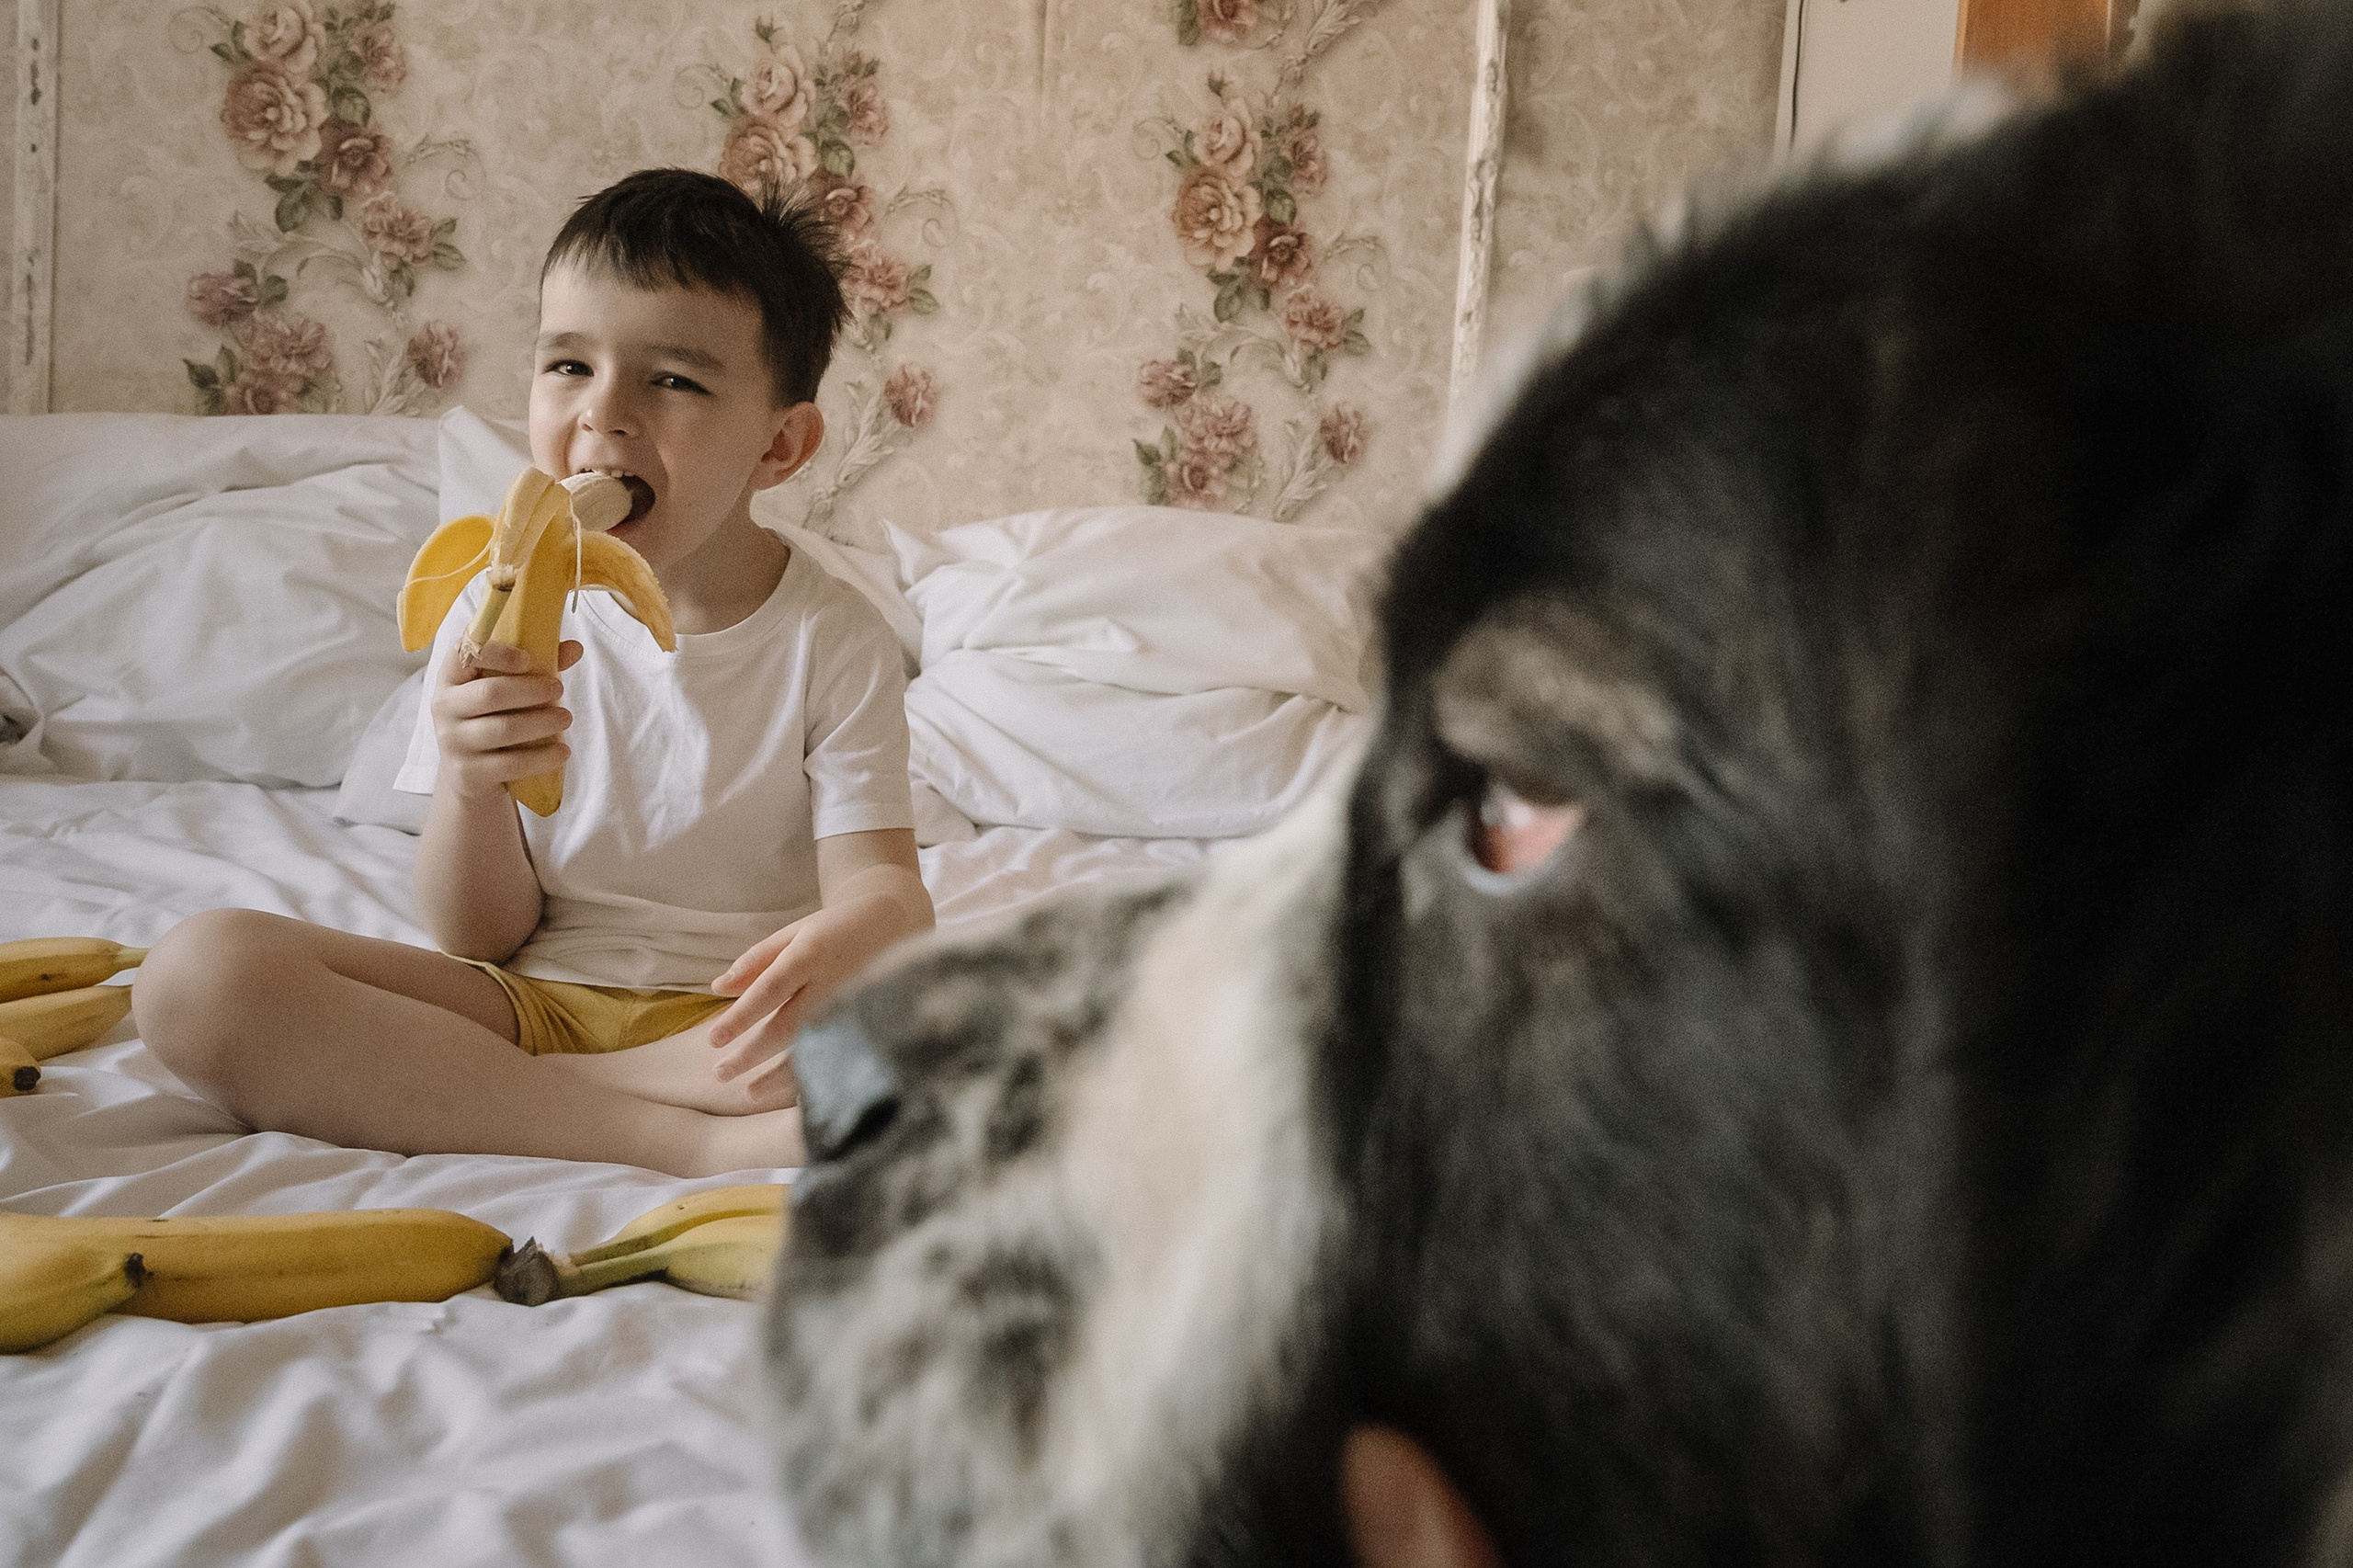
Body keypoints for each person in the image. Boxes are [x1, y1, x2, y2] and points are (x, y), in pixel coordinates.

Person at [135, 168, 932, 1177]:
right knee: (197, 978)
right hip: (533, 1003)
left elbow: (888, 891)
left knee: (1013, 1035)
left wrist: (858, 933)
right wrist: (471, 784)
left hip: (740, 1029)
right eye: (567, 365)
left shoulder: (832, 637)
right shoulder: (497, 610)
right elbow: (478, 935)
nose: (603, 417)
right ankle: (663, 1126)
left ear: (780, 444)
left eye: (673, 379)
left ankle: (516, 1094)